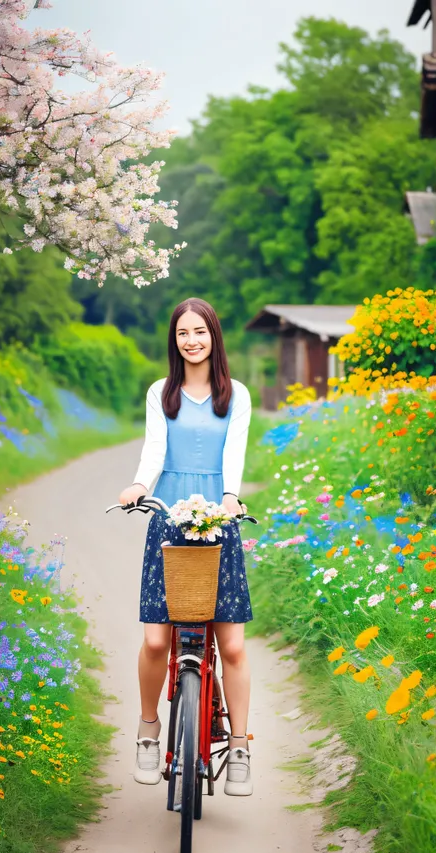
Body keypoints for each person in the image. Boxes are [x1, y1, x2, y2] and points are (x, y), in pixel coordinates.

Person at [118, 297, 253, 797]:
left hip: (220, 521)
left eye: (200, 331)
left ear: (214, 335)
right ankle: (149, 729)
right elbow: (155, 447)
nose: (191, 340)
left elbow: (234, 451)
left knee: (232, 644)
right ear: (174, 341)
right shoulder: (163, 391)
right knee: (157, 640)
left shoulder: (234, 393)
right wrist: (138, 485)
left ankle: (239, 744)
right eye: (182, 333)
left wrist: (231, 498)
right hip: (168, 521)